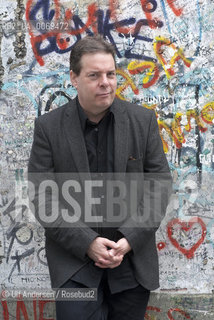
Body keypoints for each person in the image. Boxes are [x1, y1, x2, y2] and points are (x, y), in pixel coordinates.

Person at [28, 35, 172, 320]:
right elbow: (42, 197)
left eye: (110, 74)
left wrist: (130, 238)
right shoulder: (48, 127)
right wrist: (87, 243)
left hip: (131, 266)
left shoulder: (142, 121)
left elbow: (159, 186)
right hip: (75, 267)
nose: (105, 82)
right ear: (74, 77)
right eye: (94, 75)